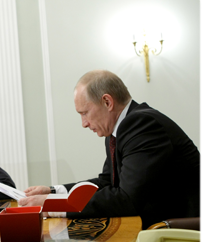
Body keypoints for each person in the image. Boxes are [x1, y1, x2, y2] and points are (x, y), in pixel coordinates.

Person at [19, 70, 204, 229]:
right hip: (159, 224)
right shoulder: (120, 129)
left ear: (107, 102)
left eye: (84, 113)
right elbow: (107, 181)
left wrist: (53, 205)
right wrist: (53, 192)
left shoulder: (141, 124)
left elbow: (126, 199)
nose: (83, 124)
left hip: (183, 232)